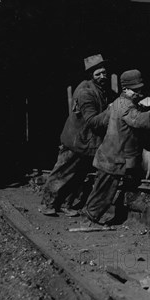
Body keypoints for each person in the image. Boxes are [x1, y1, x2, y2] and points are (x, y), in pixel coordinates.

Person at [82, 69, 150, 225]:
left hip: (108, 155)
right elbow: (135, 119)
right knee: (105, 191)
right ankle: (91, 218)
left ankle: (90, 214)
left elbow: (102, 121)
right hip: (114, 158)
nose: (139, 93)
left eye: (140, 89)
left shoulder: (116, 103)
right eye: (135, 90)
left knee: (101, 187)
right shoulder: (127, 106)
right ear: (125, 89)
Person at [40, 54, 115, 216]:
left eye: (104, 73)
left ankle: (66, 205)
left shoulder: (101, 89)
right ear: (90, 75)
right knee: (62, 173)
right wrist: (112, 110)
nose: (103, 76)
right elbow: (92, 121)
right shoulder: (86, 92)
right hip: (76, 141)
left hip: (88, 142)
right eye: (98, 74)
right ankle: (48, 204)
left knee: (78, 176)